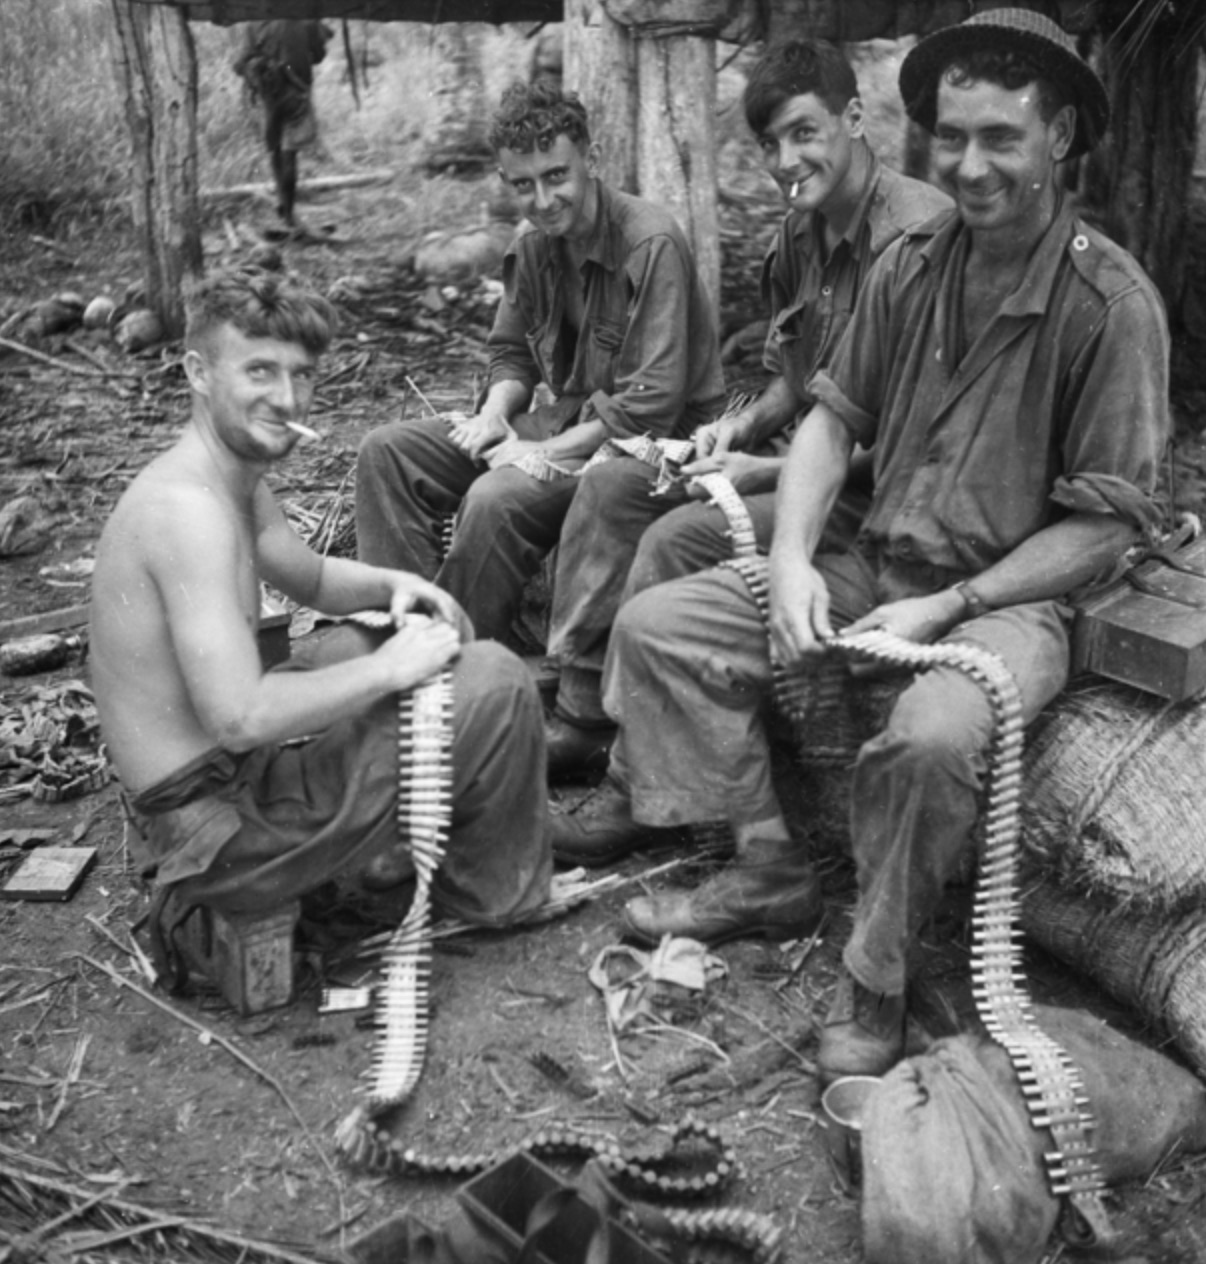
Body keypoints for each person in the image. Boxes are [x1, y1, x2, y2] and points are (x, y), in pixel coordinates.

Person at [550, 8, 1170, 1085]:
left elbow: (1108, 521)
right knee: (658, 625)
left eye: (1001, 138)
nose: (969, 166)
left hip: (1009, 600)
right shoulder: (913, 263)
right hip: (871, 558)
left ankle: (876, 973)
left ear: (1061, 137)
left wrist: (954, 605)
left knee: (930, 740)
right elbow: (832, 421)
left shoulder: (1109, 304)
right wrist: (792, 558)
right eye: (951, 137)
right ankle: (767, 866)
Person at [90, 266, 552, 973]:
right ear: (198, 372)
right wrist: (393, 668)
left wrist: (404, 588)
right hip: (221, 836)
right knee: (493, 678)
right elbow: (241, 717)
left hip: (218, 789)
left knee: (380, 635)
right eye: (260, 371)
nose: (287, 398)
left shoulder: (225, 476)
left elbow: (310, 577)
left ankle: (396, 840)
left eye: (301, 374)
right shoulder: (188, 514)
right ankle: (496, 896)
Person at [543, 40, 952, 777]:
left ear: (855, 118)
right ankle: (585, 710)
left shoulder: (918, 238)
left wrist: (762, 472)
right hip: (805, 462)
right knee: (614, 487)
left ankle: (637, 773)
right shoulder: (801, 228)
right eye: (770, 143)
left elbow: (910, 445)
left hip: (880, 495)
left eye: (805, 133)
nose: (786, 161)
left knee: (677, 539)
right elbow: (797, 377)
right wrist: (739, 426)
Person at [354, 80, 724, 647]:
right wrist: (495, 415)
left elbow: (651, 406)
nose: (544, 199)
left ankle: (457, 659)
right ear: (505, 180)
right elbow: (511, 353)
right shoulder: (532, 245)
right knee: (388, 451)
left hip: (653, 445)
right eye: (523, 185)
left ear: (592, 160)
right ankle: (402, 632)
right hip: (571, 423)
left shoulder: (650, 243)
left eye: (556, 176)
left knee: (495, 497)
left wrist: (538, 454)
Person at [234, 20, 333, 227]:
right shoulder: (305, 20)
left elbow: (239, 64)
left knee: (275, 151)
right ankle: (288, 211)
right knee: (290, 154)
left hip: (268, 96)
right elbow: (319, 56)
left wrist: (261, 64)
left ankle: (283, 203)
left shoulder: (254, 24)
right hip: (297, 92)